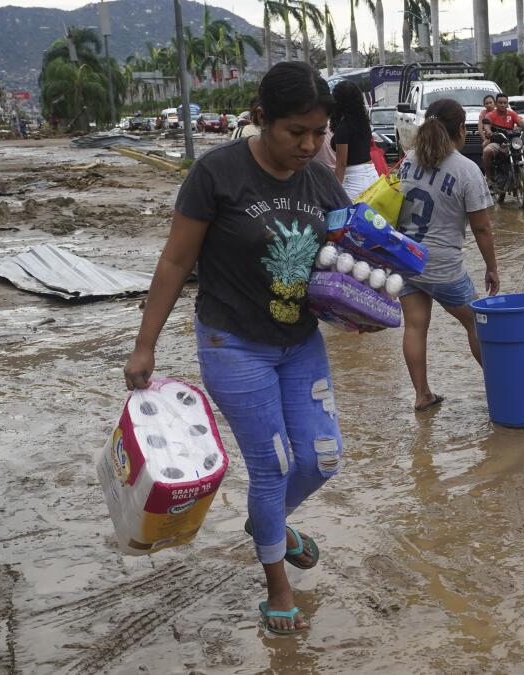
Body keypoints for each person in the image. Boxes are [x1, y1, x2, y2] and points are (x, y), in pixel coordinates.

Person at [122, 61, 350, 635]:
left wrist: (358, 313)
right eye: (295, 131)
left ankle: (266, 525)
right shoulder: (215, 175)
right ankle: (278, 584)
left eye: (318, 132)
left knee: (322, 457)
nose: (308, 144)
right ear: (259, 119)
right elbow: (175, 261)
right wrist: (144, 345)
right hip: (233, 343)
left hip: (300, 342)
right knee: (272, 466)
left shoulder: (322, 181)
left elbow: (342, 268)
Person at [395, 98, 499, 412]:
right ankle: (503, 385)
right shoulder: (467, 170)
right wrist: (492, 268)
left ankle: (422, 394)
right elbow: (482, 228)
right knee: (479, 325)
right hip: (443, 266)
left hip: (405, 259)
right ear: (460, 129)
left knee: (414, 326)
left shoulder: (408, 160)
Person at [329, 80, 377, 200]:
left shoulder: (343, 128)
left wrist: (334, 192)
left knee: (347, 216)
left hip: (353, 181)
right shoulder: (364, 124)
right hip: (373, 175)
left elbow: (341, 164)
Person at [481, 93, 524, 176]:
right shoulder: (490, 115)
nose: (502, 105)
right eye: (500, 103)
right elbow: (486, 125)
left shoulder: (512, 114)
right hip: (497, 142)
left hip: (512, 142)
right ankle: (489, 177)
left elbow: (520, 122)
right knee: (487, 151)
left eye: (505, 103)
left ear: (507, 103)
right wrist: (488, 131)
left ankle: (522, 175)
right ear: (496, 103)